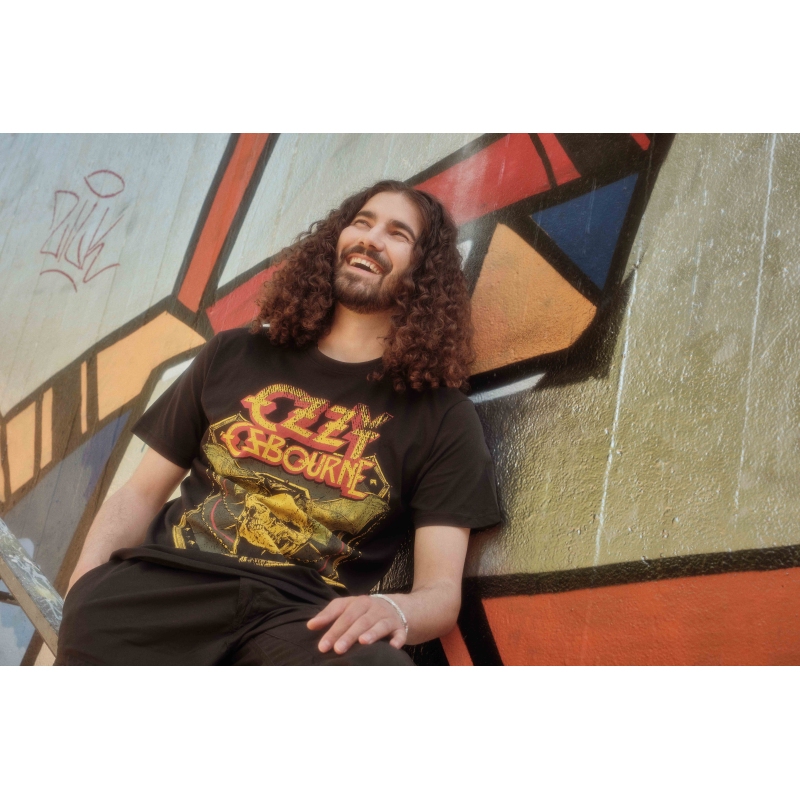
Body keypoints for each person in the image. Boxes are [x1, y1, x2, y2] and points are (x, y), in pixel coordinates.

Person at [56, 179, 500, 666]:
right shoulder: (234, 354)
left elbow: (440, 593)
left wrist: (394, 610)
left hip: (297, 619)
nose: (371, 239)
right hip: (165, 587)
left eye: (398, 234)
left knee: (381, 669)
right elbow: (140, 493)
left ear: (424, 270)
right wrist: (83, 587)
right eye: (362, 222)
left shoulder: (442, 418)